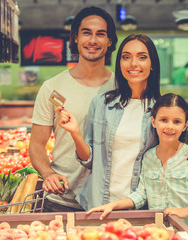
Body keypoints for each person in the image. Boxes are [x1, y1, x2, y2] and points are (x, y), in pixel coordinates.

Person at [57, 34, 188, 211]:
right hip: (100, 203)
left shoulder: (160, 110)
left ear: (152, 64)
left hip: (143, 205)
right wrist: (75, 133)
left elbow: (175, 152)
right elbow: (89, 160)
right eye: (126, 57)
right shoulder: (102, 104)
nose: (133, 64)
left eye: (142, 57)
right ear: (120, 63)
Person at [87, 93, 188, 240]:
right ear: (153, 121)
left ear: (185, 125)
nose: (170, 126)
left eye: (177, 122)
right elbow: (141, 195)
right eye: (164, 120)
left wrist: (186, 211)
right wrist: (112, 205)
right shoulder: (148, 157)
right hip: (162, 233)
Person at [29, 6, 118, 211]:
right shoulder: (53, 88)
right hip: (61, 199)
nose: (93, 41)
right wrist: (48, 174)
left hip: (111, 201)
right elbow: (36, 145)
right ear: (75, 38)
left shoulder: (122, 87)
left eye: (101, 34)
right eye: (86, 33)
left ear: (110, 41)